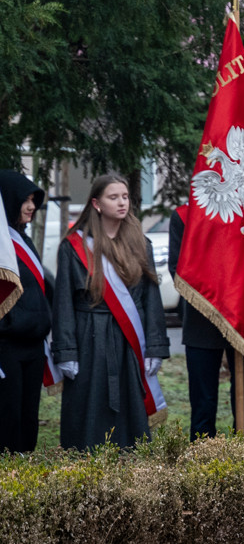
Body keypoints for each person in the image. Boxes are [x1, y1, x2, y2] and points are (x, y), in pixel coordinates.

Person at [52, 175, 169, 450]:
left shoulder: (141, 243)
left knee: (131, 407)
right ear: (96, 203)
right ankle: (87, 469)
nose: (121, 203)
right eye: (113, 197)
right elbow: (63, 304)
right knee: (89, 406)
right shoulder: (73, 247)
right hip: (89, 338)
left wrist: (154, 346)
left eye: (125, 197)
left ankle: (130, 468)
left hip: (130, 341)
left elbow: (151, 300)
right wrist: (66, 352)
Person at [168, 204, 244, 437]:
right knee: (203, 405)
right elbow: (178, 269)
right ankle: (202, 463)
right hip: (203, 318)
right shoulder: (184, 216)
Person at [0, 170, 54, 452]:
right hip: (6, 344)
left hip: (33, 345)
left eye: (34, 200)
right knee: (8, 413)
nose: (32, 206)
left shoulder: (24, 239)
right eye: (25, 200)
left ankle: (25, 471)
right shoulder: (2, 244)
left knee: (28, 415)